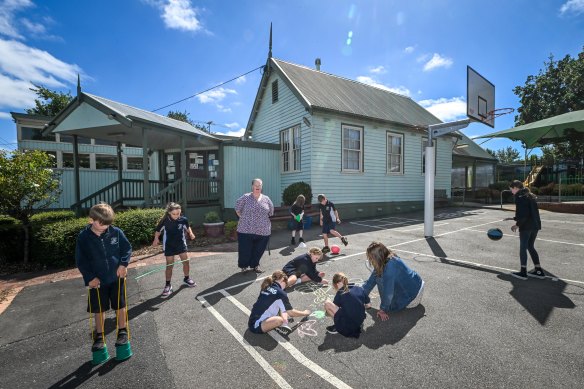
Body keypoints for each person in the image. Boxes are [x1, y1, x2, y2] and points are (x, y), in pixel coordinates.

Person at [75, 202, 132, 354]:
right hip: (97, 282)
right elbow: (81, 261)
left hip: (116, 277)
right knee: (99, 309)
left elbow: (126, 249)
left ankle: (122, 331)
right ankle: (99, 336)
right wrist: (90, 277)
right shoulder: (83, 237)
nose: (105, 227)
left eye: (107, 224)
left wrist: (123, 265)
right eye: (101, 224)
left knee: (120, 305)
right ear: (91, 220)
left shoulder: (116, 232)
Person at [362, 241, 425, 321]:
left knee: (379, 278)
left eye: (371, 258)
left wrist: (383, 309)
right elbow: (370, 282)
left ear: (377, 257)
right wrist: (360, 295)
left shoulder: (389, 269)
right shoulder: (390, 257)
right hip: (418, 284)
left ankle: (388, 306)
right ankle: (363, 295)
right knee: (377, 273)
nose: (370, 260)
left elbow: (388, 293)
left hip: (414, 297)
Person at [152, 202, 196, 297]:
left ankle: (187, 278)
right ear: (169, 212)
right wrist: (156, 239)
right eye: (174, 214)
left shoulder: (183, 219)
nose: (176, 216)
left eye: (178, 213)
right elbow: (158, 231)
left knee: (186, 262)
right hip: (169, 246)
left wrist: (190, 233)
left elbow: (188, 227)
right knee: (169, 265)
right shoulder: (165, 221)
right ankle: (168, 284)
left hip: (181, 244)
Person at [248, 270, 311, 336]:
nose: (286, 286)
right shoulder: (281, 293)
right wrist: (305, 313)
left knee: (281, 305)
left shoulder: (267, 286)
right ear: (282, 280)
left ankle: (282, 322)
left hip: (252, 319)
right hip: (256, 326)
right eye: (286, 284)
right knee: (279, 320)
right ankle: (279, 325)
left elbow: (281, 306)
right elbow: (291, 312)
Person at [505, 180, 545, 280]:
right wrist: (514, 218)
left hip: (526, 227)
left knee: (523, 247)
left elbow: (524, 215)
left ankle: (523, 272)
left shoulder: (520, 197)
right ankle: (538, 270)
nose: (511, 191)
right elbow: (529, 213)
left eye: (511, 189)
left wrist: (517, 225)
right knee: (530, 246)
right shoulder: (530, 195)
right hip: (535, 225)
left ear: (515, 188)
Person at [235, 178, 274, 273]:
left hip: (263, 231)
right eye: (256, 185)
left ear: (262, 187)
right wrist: (245, 219)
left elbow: (271, 212)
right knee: (245, 249)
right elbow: (237, 209)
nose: (257, 187)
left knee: (259, 250)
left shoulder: (266, 199)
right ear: (252, 186)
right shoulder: (245, 197)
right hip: (245, 230)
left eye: (259, 185)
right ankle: (244, 266)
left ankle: (255, 265)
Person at [324, 272, 371, 337]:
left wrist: (327, 312)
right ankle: (353, 320)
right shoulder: (359, 288)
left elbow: (332, 309)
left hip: (350, 323)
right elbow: (369, 305)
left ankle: (339, 326)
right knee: (350, 306)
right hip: (360, 319)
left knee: (327, 303)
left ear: (338, 283)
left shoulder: (340, 293)